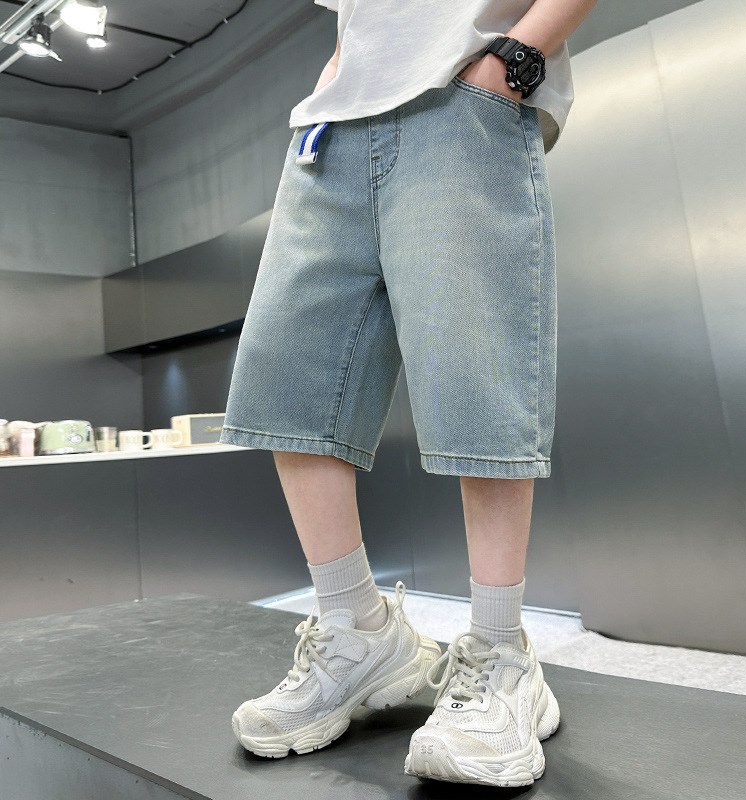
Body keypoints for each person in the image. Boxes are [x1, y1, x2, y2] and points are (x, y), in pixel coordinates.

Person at [220, 0, 597, 788]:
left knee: (475, 371)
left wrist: (513, 61)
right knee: (289, 377)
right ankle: (355, 628)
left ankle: (501, 654)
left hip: (464, 99)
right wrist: (329, 91)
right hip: (329, 133)